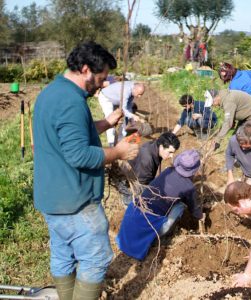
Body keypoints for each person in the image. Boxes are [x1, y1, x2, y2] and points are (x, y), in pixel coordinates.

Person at [33, 41, 139, 300]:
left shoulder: (53, 92)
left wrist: (104, 123)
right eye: (101, 79)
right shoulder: (70, 101)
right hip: (75, 200)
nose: (104, 85)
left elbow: (68, 132)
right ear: (85, 70)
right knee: (96, 259)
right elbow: (79, 154)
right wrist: (119, 152)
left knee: (62, 255)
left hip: (52, 198)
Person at [117, 150, 205, 260]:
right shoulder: (189, 187)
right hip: (150, 223)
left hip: (136, 210)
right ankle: (162, 235)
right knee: (181, 206)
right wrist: (201, 216)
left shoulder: (168, 170)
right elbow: (195, 210)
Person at [121, 132, 181, 205]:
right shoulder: (147, 160)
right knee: (140, 202)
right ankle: (128, 202)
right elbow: (141, 184)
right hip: (128, 182)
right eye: (170, 152)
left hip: (139, 172)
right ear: (161, 147)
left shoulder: (155, 146)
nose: (171, 156)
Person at [98, 81, 145, 146]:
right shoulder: (126, 91)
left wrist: (132, 121)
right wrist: (133, 116)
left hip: (116, 99)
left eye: (141, 94)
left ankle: (121, 139)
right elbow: (124, 109)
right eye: (139, 94)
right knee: (111, 121)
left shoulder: (133, 90)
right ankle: (111, 143)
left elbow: (128, 107)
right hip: (106, 98)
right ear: (134, 89)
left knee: (125, 118)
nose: (139, 96)